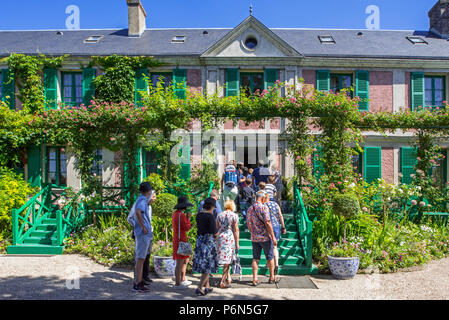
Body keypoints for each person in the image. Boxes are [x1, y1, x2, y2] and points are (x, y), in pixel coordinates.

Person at [246, 191, 280, 286]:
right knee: (270, 257)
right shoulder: (264, 207)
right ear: (262, 198)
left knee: (255, 258)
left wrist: (252, 232)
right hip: (265, 238)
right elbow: (268, 222)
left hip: (255, 238)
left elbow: (248, 223)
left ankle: (255, 279)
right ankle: (272, 277)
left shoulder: (250, 209)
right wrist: (273, 236)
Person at [193, 197, 219, 296]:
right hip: (208, 242)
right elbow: (214, 232)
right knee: (208, 266)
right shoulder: (210, 216)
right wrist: (218, 235)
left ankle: (207, 286)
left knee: (204, 265)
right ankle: (199, 287)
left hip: (200, 241)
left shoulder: (198, 214)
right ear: (212, 206)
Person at [133, 182, 156, 293]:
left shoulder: (141, 199)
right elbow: (138, 212)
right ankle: (138, 283)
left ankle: (138, 281)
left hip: (142, 232)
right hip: (142, 233)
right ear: (148, 191)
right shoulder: (142, 200)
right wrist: (143, 227)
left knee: (140, 258)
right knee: (141, 259)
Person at [216, 200, 239, 289]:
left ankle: (228, 277)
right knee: (227, 260)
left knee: (226, 259)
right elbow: (236, 229)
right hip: (229, 238)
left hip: (221, 237)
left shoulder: (219, 215)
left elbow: (217, 227)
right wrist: (237, 242)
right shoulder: (234, 215)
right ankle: (222, 281)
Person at [172, 196, 194, 289]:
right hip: (181, 240)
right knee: (180, 262)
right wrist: (188, 218)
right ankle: (177, 283)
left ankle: (183, 279)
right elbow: (187, 228)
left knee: (185, 260)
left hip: (178, 239)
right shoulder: (181, 215)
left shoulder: (175, 214)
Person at [264, 193, 286, 275]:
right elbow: (280, 215)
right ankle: (276, 264)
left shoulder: (264, 205)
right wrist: (283, 226)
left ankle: (269, 264)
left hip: (267, 227)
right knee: (275, 246)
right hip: (276, 226)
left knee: (267, 247)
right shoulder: (276, 205)